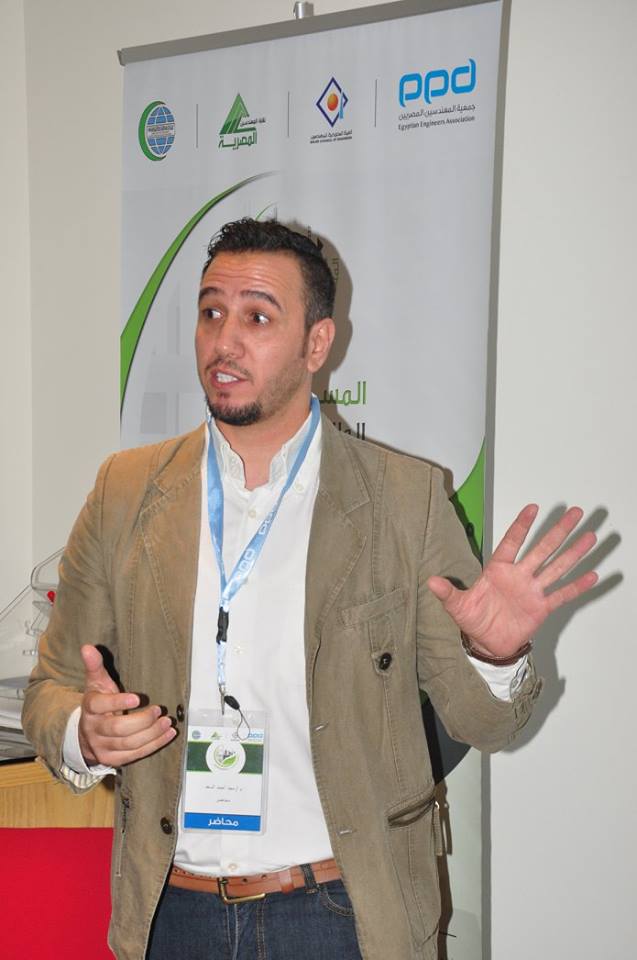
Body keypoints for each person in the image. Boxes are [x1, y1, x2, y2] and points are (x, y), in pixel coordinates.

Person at [22, 219, 598, 960]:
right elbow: (52, 688)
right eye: (210, 312)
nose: (225, 340)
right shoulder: (124, 491)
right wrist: (83, 732)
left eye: (258, 317)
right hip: (172, 912)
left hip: (342, 912)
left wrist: (494, 653)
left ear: (317, 344)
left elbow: (484, 724)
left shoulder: (404, 500)